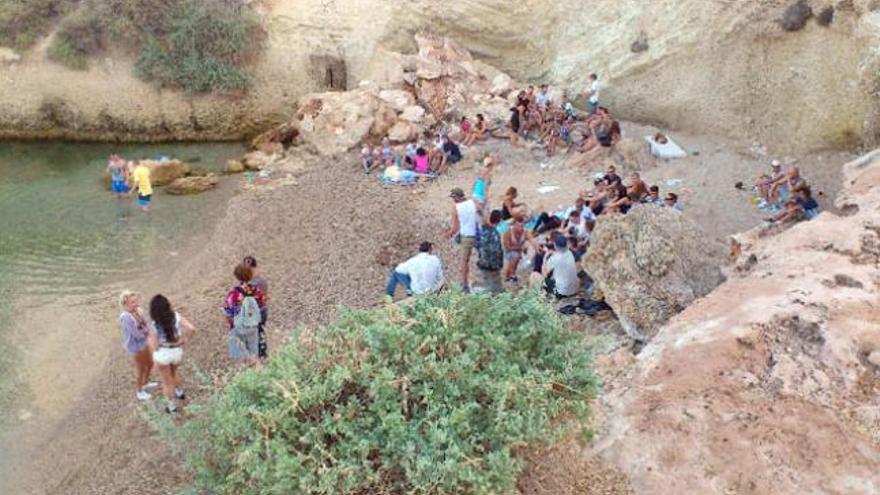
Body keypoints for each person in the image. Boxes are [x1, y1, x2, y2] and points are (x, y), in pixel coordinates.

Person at [148, 294, 196, 414]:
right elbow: (192, 329)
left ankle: (172, 408)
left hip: (163, 355)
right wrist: (184, 340)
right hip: (176, 351)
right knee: (174, 374)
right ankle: (180, 393)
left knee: (167, 383)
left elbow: (155, 346)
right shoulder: (176, 316)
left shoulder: (154, 324)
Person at [224, 263, 267, 365]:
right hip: (253, 326)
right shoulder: (255, 291)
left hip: (239, 327)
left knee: (241, 355)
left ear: (237, 276)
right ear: (250, 275)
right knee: (254, 353)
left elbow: (228, 312)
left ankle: (249, 372)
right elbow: (263, 302)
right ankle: (258, 371)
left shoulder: (234, 294)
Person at [118, 290, 155, 401]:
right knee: (140, 369)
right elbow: (136, 334)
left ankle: (145, 384)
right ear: (125, 304)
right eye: (133, 302)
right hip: (135, 347)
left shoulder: (137, 312)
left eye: (136, 301)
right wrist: (148, 333)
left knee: (150, 364)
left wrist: (148, 331)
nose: (136, 304)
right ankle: (139, 391)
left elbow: (146, 324)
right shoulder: (126, 317)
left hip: (143, 343)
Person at [445, 187, 481, 291]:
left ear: (456, 197)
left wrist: (448, 235)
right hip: (478, 233)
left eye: (453, 197)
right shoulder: (473, 203)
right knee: (482, 256)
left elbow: (455, 229)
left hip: (467, 236)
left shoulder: (456, 208)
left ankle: (464, 285)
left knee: (464, 261)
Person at [243, 256, 269, 360]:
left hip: (257, 313)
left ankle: (261, 358)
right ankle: (262, 357)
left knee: (256, 337)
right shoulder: (257, 281)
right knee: (259, 335)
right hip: (259, 311)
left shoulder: (256, 282)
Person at [476, 210, 505, 294]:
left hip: (482, 262)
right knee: (494, 287)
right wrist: (498, 265)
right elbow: (496, 251)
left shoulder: (483, 230)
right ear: (499, 220)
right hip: (492, 265)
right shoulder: (495, 234)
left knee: (486, 283)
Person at [503, 215, 530, 283]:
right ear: (514, 225)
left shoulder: (525, 232)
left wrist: (526, 248)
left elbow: (529, 244)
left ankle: (511, 275)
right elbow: (507, 248)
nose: (521, 228)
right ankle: (511, 275)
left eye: (522, 226)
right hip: (508, 253)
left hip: (519, 253)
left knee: (516, 255)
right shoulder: (508, 233)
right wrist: (520, 248)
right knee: (515, 255)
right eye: (519, 226)